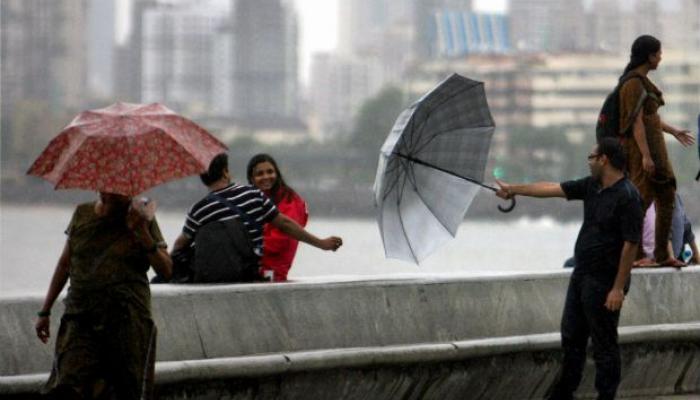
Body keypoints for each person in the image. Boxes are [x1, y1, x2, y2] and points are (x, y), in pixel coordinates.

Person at [496, 138, 642, 400]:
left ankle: (606, 395)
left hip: (605, 282)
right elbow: (552, 188)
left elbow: (631, 245)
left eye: (591, 156)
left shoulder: (628, 196)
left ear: (604, 159)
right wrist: (514, 189)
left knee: (604, 344)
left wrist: (618, 288)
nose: (589, 161)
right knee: (572, 337)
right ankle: (565, 393)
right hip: (581, 276)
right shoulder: (591, 186)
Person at [35, 193, 173, 399]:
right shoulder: (82, 214)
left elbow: (166, 270)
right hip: (80, 317)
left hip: (128, 320)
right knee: (67, 386)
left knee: (127, 390)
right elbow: (65, 263)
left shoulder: (141, 219)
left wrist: (142, 232)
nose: (113, 194)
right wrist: (45, 311)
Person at [171, 153, 342, 281]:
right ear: (225, 172)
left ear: (203, 178)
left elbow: (180, 244)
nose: (266, 177)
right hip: (250, 275)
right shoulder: (252, 194)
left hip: (212, 279)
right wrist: (321, 243)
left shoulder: (198, 210)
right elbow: (285, 224)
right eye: (260, 174)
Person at [618, 34, 695, 267]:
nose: (660, 58)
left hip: (656, 150)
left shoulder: (642, 82)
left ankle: (662, 255)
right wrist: (645, 156)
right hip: (644, 152)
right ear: (649, 56)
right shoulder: (632, 83)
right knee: (641, 201)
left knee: (667, 196)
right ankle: (639, 254)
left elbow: (651, 118)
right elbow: (636, 122)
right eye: (658, 53)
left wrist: (673, 131)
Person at [246, 154, 308, 282]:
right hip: (253, 269)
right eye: (260, 174)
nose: (266, 177)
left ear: (277, 173)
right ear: (251, 179)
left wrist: (244, 248)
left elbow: (280, 240)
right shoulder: (252, 199)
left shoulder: (290, 200)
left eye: (270, 172)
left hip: (273, 272)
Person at [638, 194, 699, 266]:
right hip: (649, 259)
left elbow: (686, 225)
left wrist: (696, 253)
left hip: (673, 258)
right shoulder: (639, 196)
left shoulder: (673, 197)